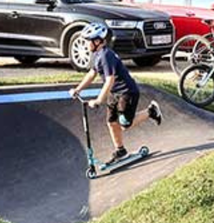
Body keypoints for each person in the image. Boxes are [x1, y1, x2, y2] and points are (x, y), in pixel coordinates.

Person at [69, 23, 161, 161]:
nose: (86, 43)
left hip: (127, 92)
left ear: (98, 41)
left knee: (124, 124)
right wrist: (78, 89)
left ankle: (151, 111)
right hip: (114, 93)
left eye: (89, 40)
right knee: (111, 122)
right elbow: (91, 74)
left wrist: (99, 100)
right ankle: (121, 151)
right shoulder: (97, 54)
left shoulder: (106, 55)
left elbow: (109, 80)